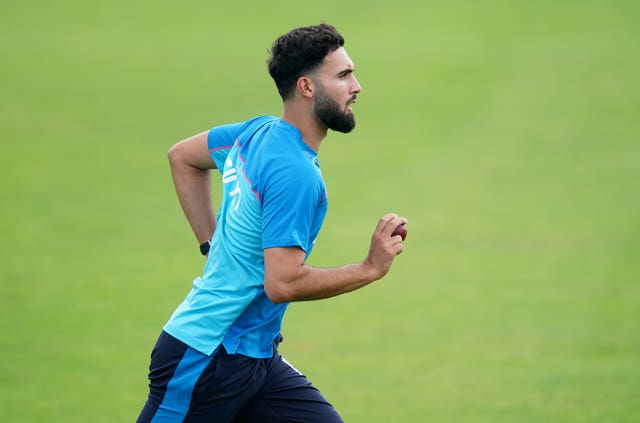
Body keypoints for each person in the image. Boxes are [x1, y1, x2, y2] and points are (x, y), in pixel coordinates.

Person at [137, 23, 407, 423]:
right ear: (307, 87)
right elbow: (282, 284)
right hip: (206, 357)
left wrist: (214, 247)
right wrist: (368, 269)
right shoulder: (295, 173)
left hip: (255, 357)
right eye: (344, 75)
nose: (357, 86)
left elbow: (183, 157)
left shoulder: (255, 133)